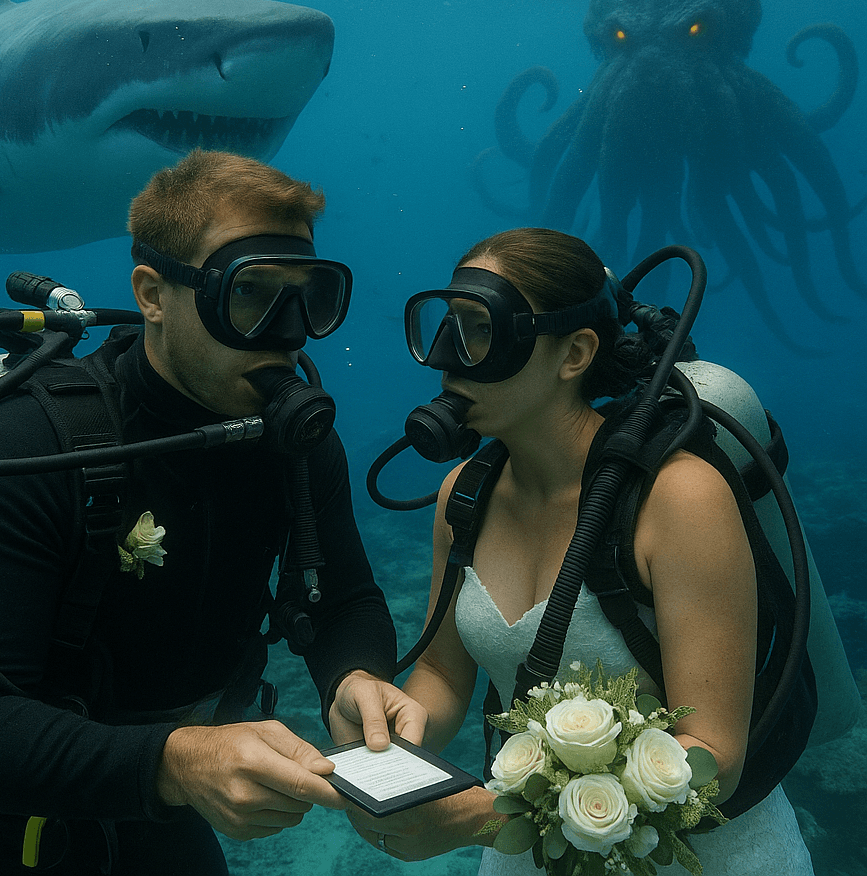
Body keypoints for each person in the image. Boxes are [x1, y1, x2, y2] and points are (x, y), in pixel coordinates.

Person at [0, 149, 426, 875]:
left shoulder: (295, 446)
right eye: (250, 293)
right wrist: (176, 763)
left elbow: (345, 600)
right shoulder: (24, 442)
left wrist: (354, 677)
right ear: (152, 293)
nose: (287, 331)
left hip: (161, 813)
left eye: (311, 297)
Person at [346, 228, 814, 874]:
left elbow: (715, 757)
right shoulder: (465, 494)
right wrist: (387, 728)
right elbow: (447, 677)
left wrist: (483, 819)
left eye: (481, 330)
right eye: (445, 326)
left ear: (575, 354)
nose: (449, 357)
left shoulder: (679, 498)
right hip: (519, 852)